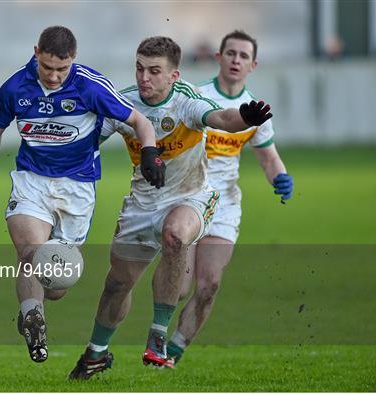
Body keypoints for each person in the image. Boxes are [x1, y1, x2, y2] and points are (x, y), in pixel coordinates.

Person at [68, 36, 273, 379]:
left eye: (154, 71)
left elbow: (221, 117)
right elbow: (86, 140)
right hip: (141, 206)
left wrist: (244, 118)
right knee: (118, 284)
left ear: (174, 76)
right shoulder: (125, 103)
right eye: (139, 68)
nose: (144, 78)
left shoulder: (187, 101)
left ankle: (159, 334)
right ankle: (96, 353)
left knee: (175, 235)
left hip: (190, 197)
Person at [0, 26, 165, 363]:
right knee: (31, 253)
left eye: (62, 69)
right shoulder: (16, 87)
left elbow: (138, 120)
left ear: (73, 59)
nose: (55, 76)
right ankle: (35, 322)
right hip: (32, 182)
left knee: (57, 287)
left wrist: (150, 154)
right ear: (36, 53)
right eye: (47, 67)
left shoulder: (90, 85)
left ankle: (36, 304)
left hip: (77, 189)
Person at [164, 30, 293, 368]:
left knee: (210, 285)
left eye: (243, 56)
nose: (236, 60)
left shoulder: (255, 110)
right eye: (231, 53)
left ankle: (172, 352)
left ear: (253, 64)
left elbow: (268, 157)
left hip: (225, 204)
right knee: (179, 289)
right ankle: (156, 326)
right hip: (190, 196)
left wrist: (280, 177)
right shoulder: (197, 97)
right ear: (218, 57)